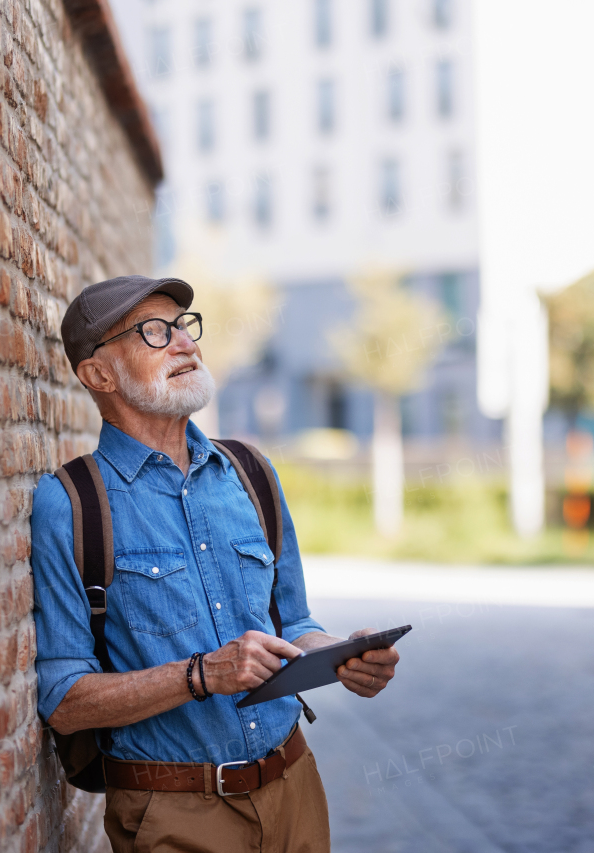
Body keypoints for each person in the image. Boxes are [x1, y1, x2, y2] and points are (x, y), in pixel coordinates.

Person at [30, 275, 399, 853]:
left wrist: (341, 657)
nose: (184, 343)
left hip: (296, 788)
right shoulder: (71, 503)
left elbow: (293, 623)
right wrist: (203, 674)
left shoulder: (251, 473)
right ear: (99, 375)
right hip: (175, 814)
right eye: (154, 332)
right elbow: (64, 700)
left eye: (183, 326)